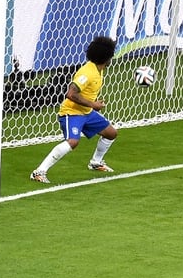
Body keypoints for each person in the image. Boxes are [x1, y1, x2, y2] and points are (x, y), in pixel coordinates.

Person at [30, 36, 119, 184]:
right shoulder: (87, 72)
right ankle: (39, 172)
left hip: (86, 113)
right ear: (105, 57)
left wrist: (91, 105)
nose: (112, 57)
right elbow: (71, 94)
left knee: (111, 133)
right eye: (111, 55)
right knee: (72, 142)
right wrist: (93, 104)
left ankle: (96, 162)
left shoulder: (99, 69)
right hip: (71, 113)